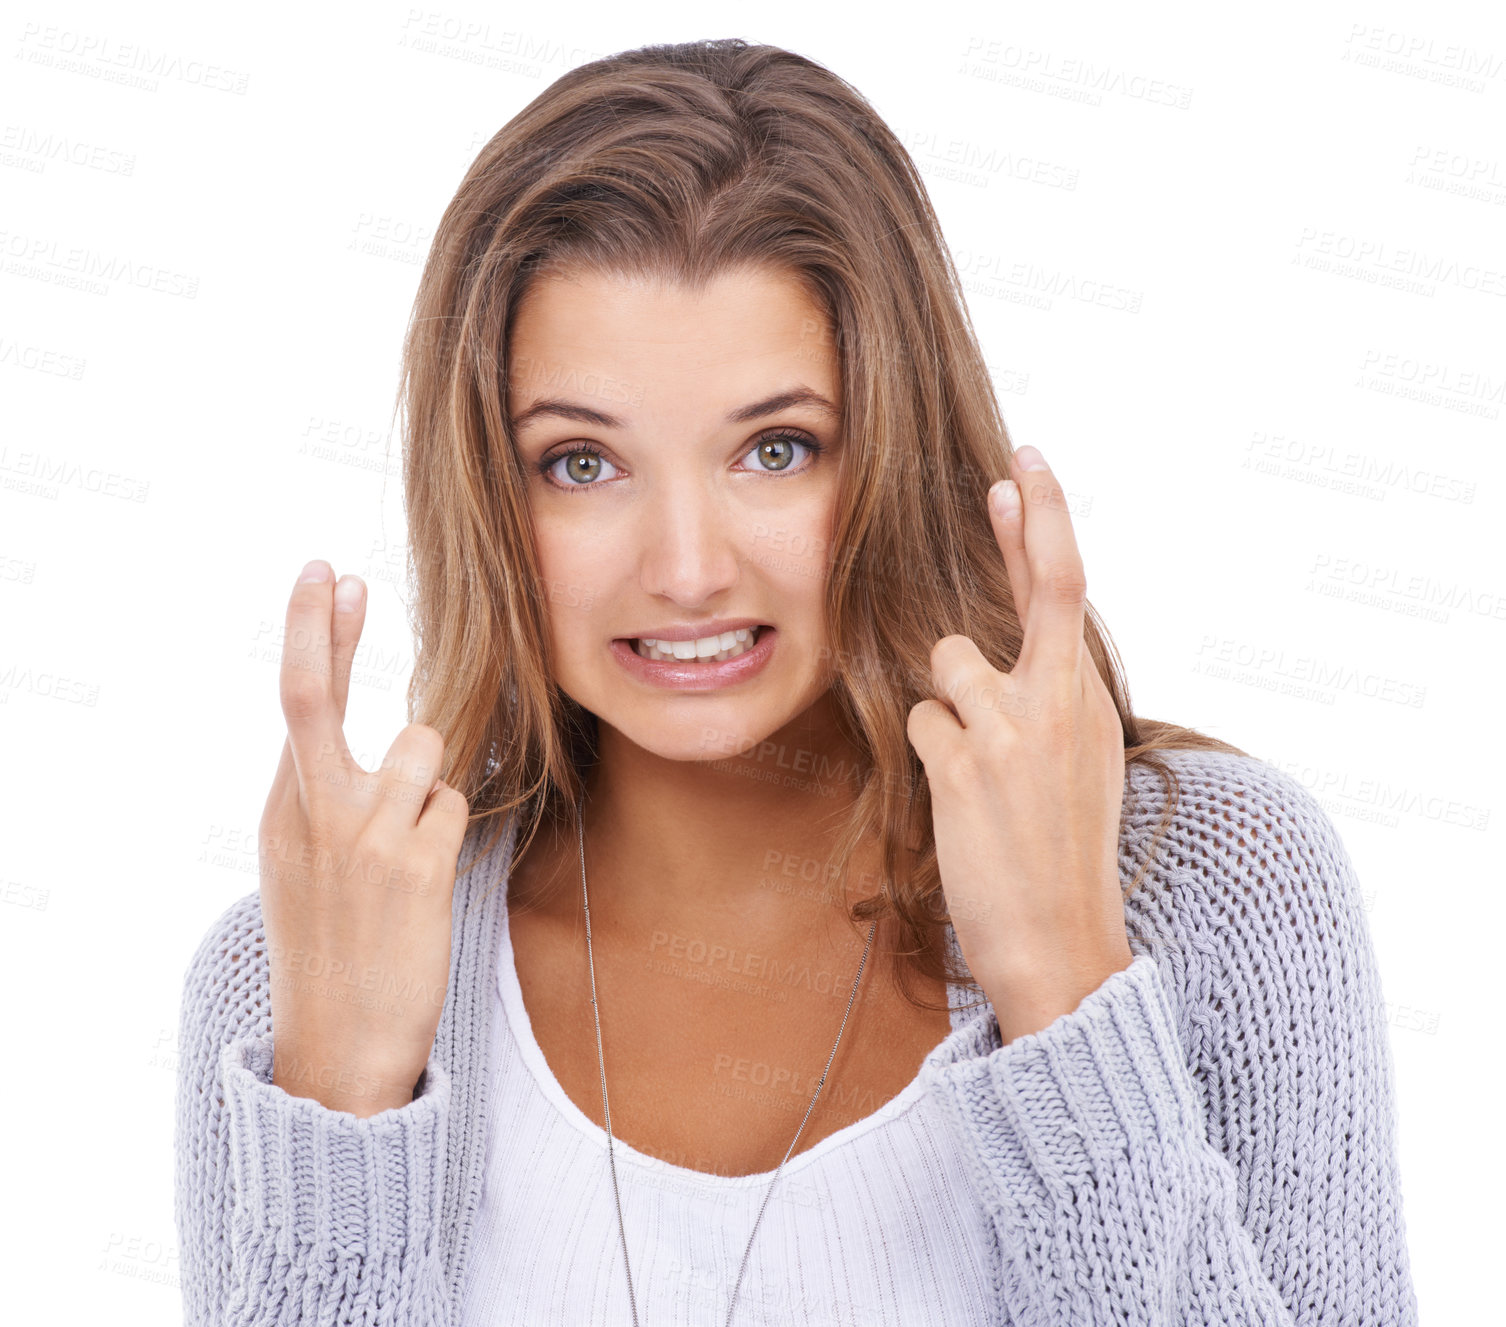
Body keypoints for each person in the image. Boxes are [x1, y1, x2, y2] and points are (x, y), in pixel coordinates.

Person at [174, 38, 1419, 1326]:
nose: (687, 568)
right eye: (583, 464)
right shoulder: (300, 978)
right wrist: (333, 1109)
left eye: (777, 449)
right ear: (486, 487)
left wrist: (1067, 994)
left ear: (894, 445)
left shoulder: (1211, 891)